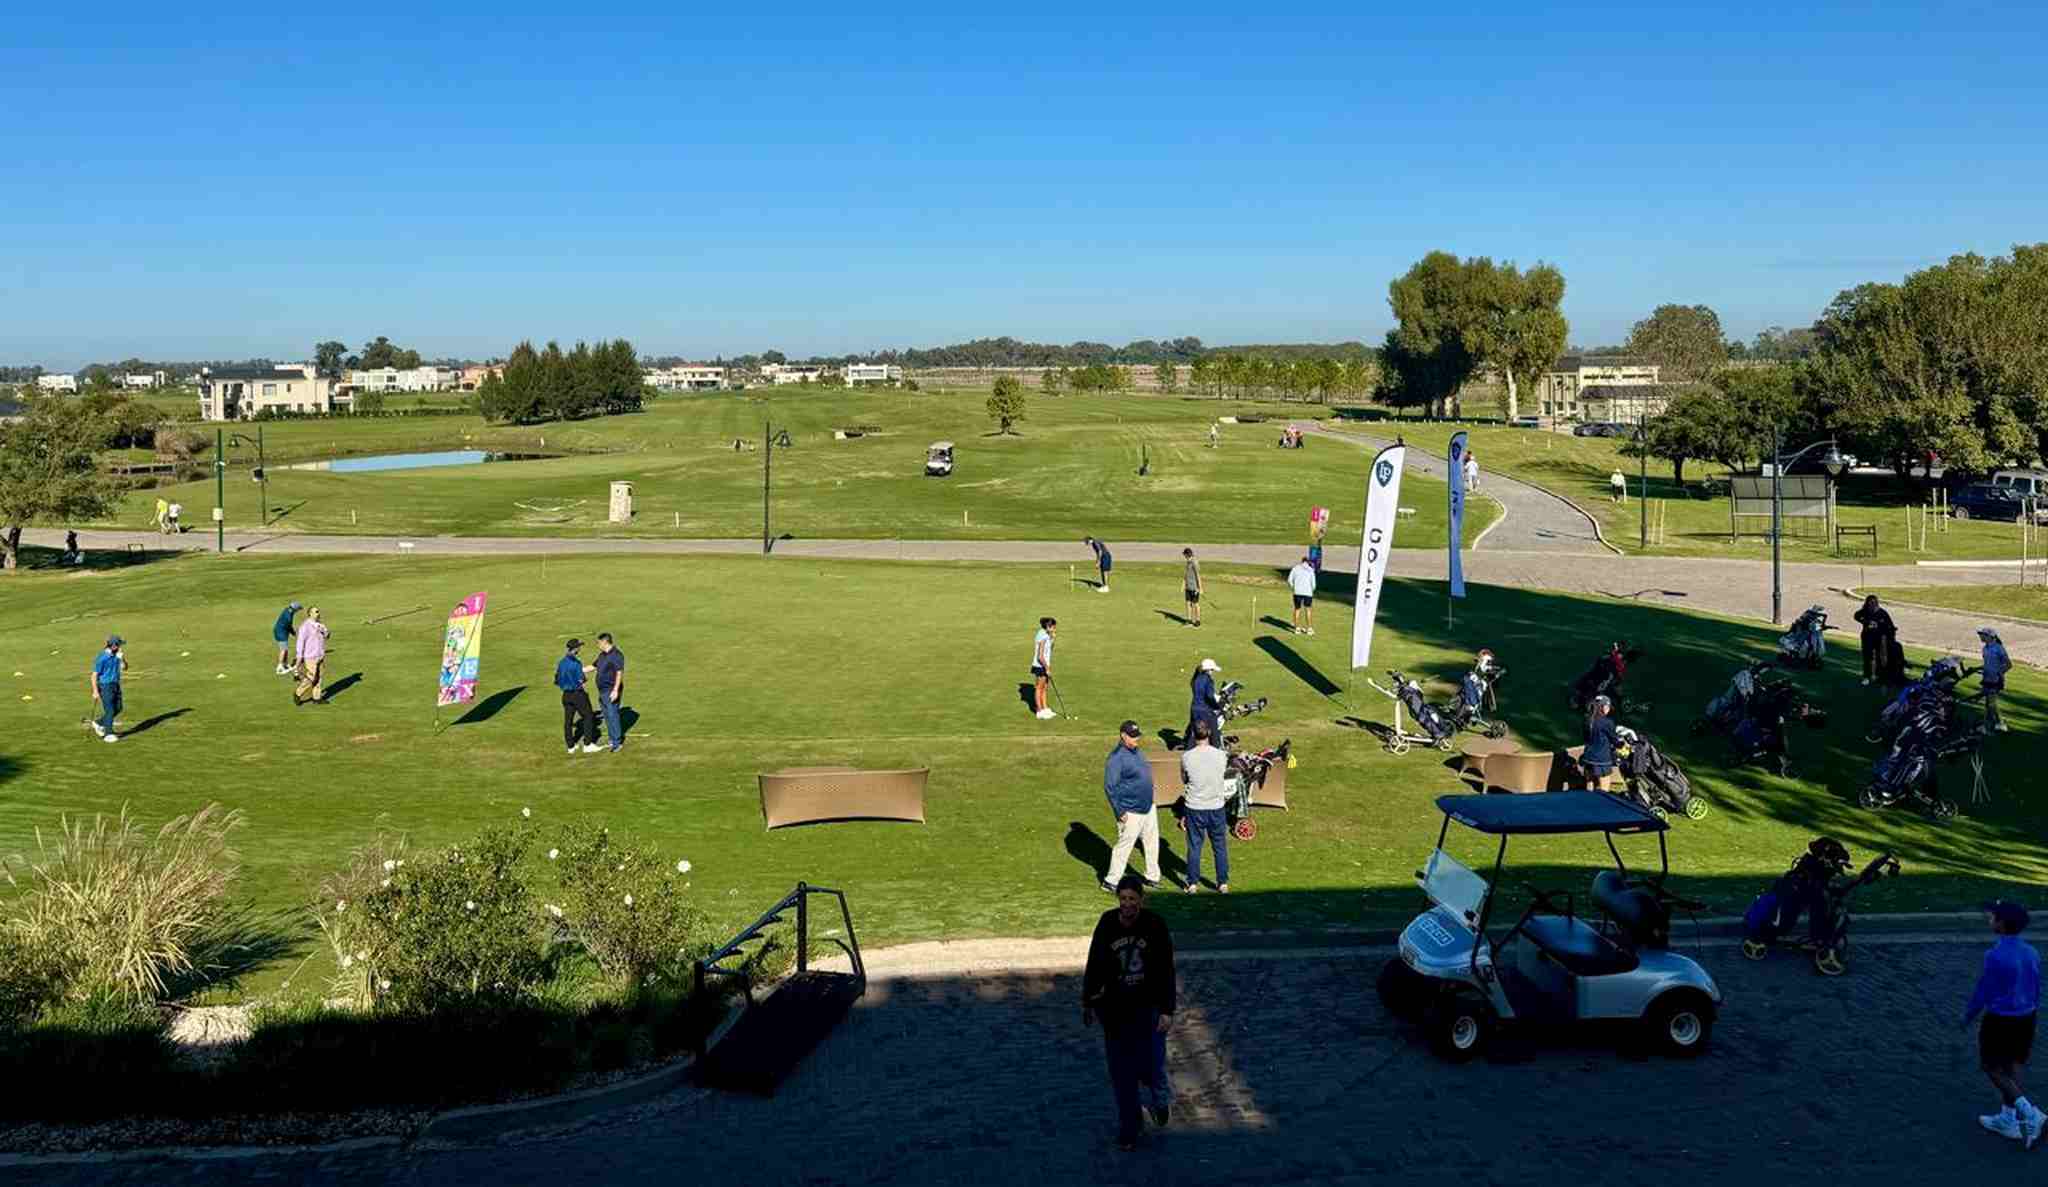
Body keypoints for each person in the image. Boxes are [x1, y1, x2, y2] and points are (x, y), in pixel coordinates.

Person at [1082, 874, 1175, 1151]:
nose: (1127, 904)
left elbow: (1166, 969)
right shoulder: (1107, 923)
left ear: (1141, 900)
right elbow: (1095, 962)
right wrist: (1087, 999)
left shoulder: (1155, 925)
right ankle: (1130, 1126)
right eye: (1123, 899)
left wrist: (1167, 1009)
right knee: (1121, 1073)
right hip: (1115, 1011)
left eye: (1132, 899)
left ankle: (1159, 1100)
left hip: (1147, 1007)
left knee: (1152, 1065)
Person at [1965, 900, 2041, 1146]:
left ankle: (2031, 1114)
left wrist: (1969, 1014)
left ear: (2001, 924)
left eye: (1992, 918)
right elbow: (2036, 986)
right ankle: (2008, 1120)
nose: (1989, 921)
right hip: (2026, 1017)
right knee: (2013, 1064)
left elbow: (1984, 991)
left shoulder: (1995, 955)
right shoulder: (2032, 952)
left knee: (1991, 1067)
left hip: (2000, 1019)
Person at [1101, 721, 1160, 892]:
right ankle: (1111, 881)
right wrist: (1119, 811)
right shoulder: (1116, 758)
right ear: (1123, 735)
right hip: (1130, 810)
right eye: (1133, 737)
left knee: (1152, 842)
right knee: (1124, 846)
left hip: (1148, 806)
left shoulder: (1138, 752)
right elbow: (1110, 787)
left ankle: (1152, 876)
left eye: (1137, 735)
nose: (1137, 739)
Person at [1180, 721, 1230, 894]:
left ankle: (1192, 883)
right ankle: (1222, 882)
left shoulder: (1187, 757)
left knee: (1194, 846)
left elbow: (1184, 779)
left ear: (1193, 735)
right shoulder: (1221, 755)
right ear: (1209, 733)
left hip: (1195, 807)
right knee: (1219, 846)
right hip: (1216, 806)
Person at [555, 638, 601, 754]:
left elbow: (557, 679)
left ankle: (570, 746)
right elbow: (582, 680)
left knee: (568, 721)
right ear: (575, 649)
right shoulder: (576, 663)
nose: (580, 648)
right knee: (588, 717)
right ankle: (588, 744)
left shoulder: (561, 662)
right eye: (579, 646)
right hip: (578, 694)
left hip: (565, 695)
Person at [89, 635, 127, 743]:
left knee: (118, 708)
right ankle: (108, 734)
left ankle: (98, 723)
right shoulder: (102, 658)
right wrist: (95, 691)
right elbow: (94, 675)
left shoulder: (118, 655)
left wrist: (122, 659)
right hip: (105, 686)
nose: (121, 646)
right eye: (119, 644)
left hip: (115, 685)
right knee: (109, 710)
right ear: (114, 645)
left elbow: (125, 668)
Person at [1853, 595, 1897, 687]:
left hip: (1879, 638)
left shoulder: (1882, 613)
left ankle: (1877, 675)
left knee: (1879, 657)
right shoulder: (1865, 611)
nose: (1872, 604)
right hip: (1867, 637)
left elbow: (1890, 626)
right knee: (1867, 657)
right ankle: (1866, 677)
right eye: (1870, 602)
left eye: (1874, 602)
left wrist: (1888, 633)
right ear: (1867, 603)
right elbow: (1856, 616)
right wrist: (1864, 622)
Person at [594, 632, 627, 752]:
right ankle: (612, 739)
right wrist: (578, 671)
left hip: (610, 690)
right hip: (602, 690)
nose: (597, 645)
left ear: (605, 642)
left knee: (613, 715)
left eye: (598, 642)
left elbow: (619, 672)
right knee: (607, 715)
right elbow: (594, 666)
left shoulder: (617, 655)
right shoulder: (602, 655)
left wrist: (615, 690)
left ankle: (617, 743)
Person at [1581, 695, 1621, 788]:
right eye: (1607, 706)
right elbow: (1615, 740)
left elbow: (1586, 738)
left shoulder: (1587, 719)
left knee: (1589, 786)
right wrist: (1621, 744)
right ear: (1602, 707)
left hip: (1588, 758)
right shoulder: (1607, 722)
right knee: (1604, 791)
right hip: (1602, 760)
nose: (1608, 709)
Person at [1184, 658, 1222, 751]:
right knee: (1214, 732)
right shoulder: (1208, 680)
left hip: (1194, 708)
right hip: (1205, 710)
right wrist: (1216, 706)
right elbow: (1209, 696)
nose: (1212, 672)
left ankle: (1189, 752)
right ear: (1208, 669)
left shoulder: (1196, 678)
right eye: (1212, 670)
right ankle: (1216, 752)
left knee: (1195, 732)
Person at [293, 608, 329, 705]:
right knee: (311, 678)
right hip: (310, 657)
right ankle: (298, 693)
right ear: (310, 614)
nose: (318, 613)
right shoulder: (305, 627)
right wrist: (299, 656)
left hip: (320, 656)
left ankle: (316, 698)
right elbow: (300, 642)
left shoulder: (320, 625)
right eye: (316, 611)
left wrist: (325, 631)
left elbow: (327, 636)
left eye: (319, 611)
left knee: (319, 677)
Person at [1979, 627, 2012, 733]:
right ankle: (1986, 726)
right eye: (1981, 634)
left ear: (1990, 636)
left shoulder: (1999, 648)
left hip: (1996, 680)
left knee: (1991, 703)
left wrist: (1999, 673)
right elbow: (1987, 664)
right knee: (1988, 704)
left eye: (1983, 634)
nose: (1981, 636)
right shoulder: (1985, 649)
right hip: (1986, 679)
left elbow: (2008, 664)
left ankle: (2000, 723)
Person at [1032, 617, 1057, 720]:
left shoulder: (1045, 634)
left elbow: (1049, 649)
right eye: (1053, 627)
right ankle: (1039, 710)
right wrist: (1047, 668)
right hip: (1040, 665)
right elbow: (1040, 656)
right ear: (1048, 626)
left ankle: (1045, 708)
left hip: (1045, 664)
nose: (1055, 629)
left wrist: (1053, 638)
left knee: (1045, 687)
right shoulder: (1042, 636)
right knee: (1039, 688)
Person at [1287, 555, 1317, 635]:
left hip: (1297, 592)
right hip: (1308, 593)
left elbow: (1289, 580)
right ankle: (1309, 629)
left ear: (1302, 561)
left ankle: (1297, 629)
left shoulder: (1295, 568)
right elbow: (1313, 584)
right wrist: (1311, 590)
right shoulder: (1311, 570)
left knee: (1297, 609)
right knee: (1308, 609)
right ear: (1308, 562)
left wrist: (1294, 588)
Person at [272, 601, 302, 674]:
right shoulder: (288, 615)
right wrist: (293, 633)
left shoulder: (288, 611)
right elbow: (289, 626)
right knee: (284, 649)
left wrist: (292, 632)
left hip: (281, 632)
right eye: (298, 609)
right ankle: (279, 667)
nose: (298, 611)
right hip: (280, 633)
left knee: (286, 649)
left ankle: (285, 664)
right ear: (295, 609)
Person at [1182, 548, 1202, 628]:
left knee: (1195, 604)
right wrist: (1183, 584)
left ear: (1187, 554)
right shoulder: (1188, 562)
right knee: (1187, 603)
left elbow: (1198, 576)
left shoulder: (1194, 563)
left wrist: (1200, 588)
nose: (1184, 556)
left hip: (1194, 588)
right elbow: (1186, 574)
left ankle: (1197, 621)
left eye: (1184, 554)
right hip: (1188, 587)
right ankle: (1189, 620)